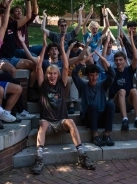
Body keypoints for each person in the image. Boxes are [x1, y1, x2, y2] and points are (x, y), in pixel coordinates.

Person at [31, 34, 95, 174]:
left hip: (60, 121)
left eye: (54, 74)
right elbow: (38, 67)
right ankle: (39, 158)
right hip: (47, 122)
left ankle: (82, 155)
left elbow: (66, 67)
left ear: (58, 75)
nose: (52, 76)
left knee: (71, 122)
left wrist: (61, 47)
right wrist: (43, 46)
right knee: (42, 123)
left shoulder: (62, 84)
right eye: (50, 74)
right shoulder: (43, 86)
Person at [72, 56, 116, 147]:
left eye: (96, 75)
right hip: (88, 118)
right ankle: (95, 136)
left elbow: (112, 74)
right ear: (87, 76)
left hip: (101, 117)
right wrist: (82, 61)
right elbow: (74, 74)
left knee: (111, 104)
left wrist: (104, 60)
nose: (94, 78)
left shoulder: (102, 85)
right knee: (93, 106)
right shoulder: (83, 85)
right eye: (92, 75)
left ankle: (107, 135)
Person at [109, 34, 137, 131]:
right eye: (116, 60)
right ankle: (124, 119)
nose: (118, 62)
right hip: (115, 102)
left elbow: (136, 58)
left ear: (125, 61)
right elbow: (103, 60)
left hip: (128, 102)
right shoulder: (112, 72)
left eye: (121, 60)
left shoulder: (129, 70)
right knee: (122, 91)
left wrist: (132, 43)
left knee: (134, 90)